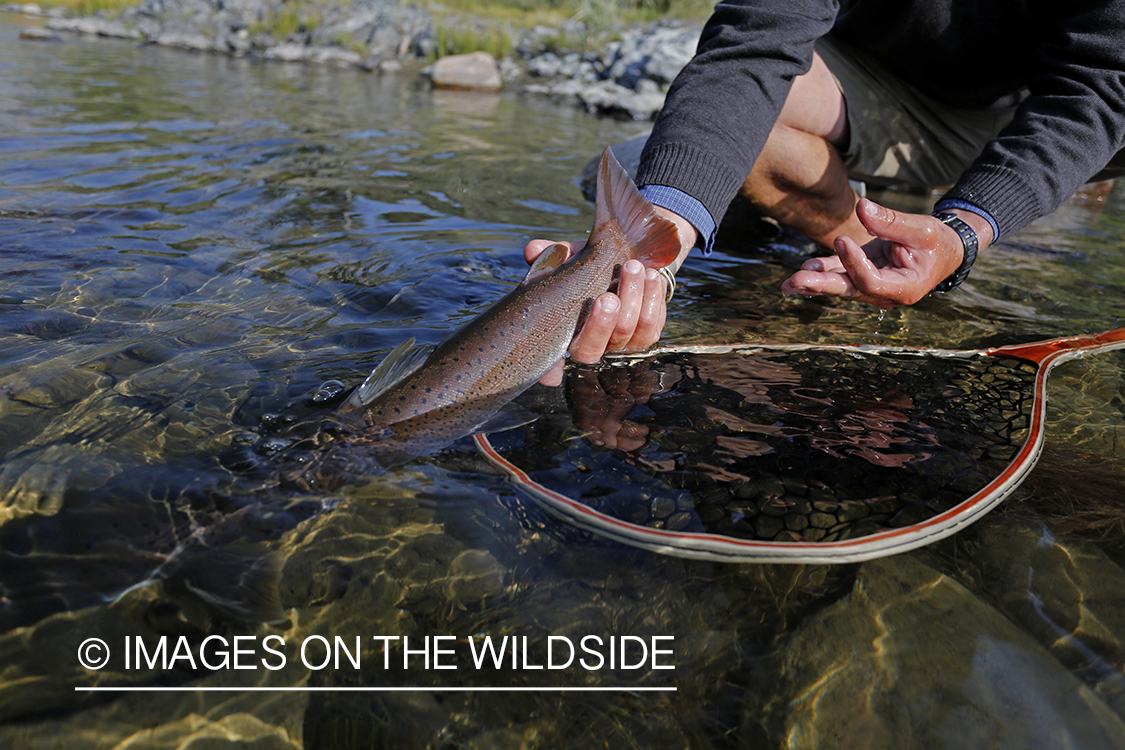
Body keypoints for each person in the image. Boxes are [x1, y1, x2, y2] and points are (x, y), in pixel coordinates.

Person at [524, 0, 1125, 369]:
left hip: (1050, 105)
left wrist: (967, 229)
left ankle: (951, 225)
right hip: (878, 87)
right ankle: (865, 247)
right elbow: (751, 51)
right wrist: (651, 241)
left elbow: (1101, 86)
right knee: (638, 166)